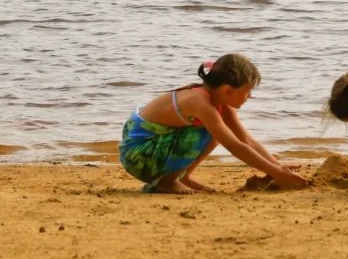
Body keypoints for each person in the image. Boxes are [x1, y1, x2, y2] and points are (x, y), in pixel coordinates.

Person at [118, 54, 308, 194]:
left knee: (213, 132)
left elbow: (246, 140)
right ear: (227, 90)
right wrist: (276, 172)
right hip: (138, 155)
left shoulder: (219, 103)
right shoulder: (198, 101)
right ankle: (166, 181)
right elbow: (234, 146)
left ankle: (182, 176)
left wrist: (277, 168)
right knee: (206, 132)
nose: (249, 96)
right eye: (247, 91)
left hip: (156, 147)